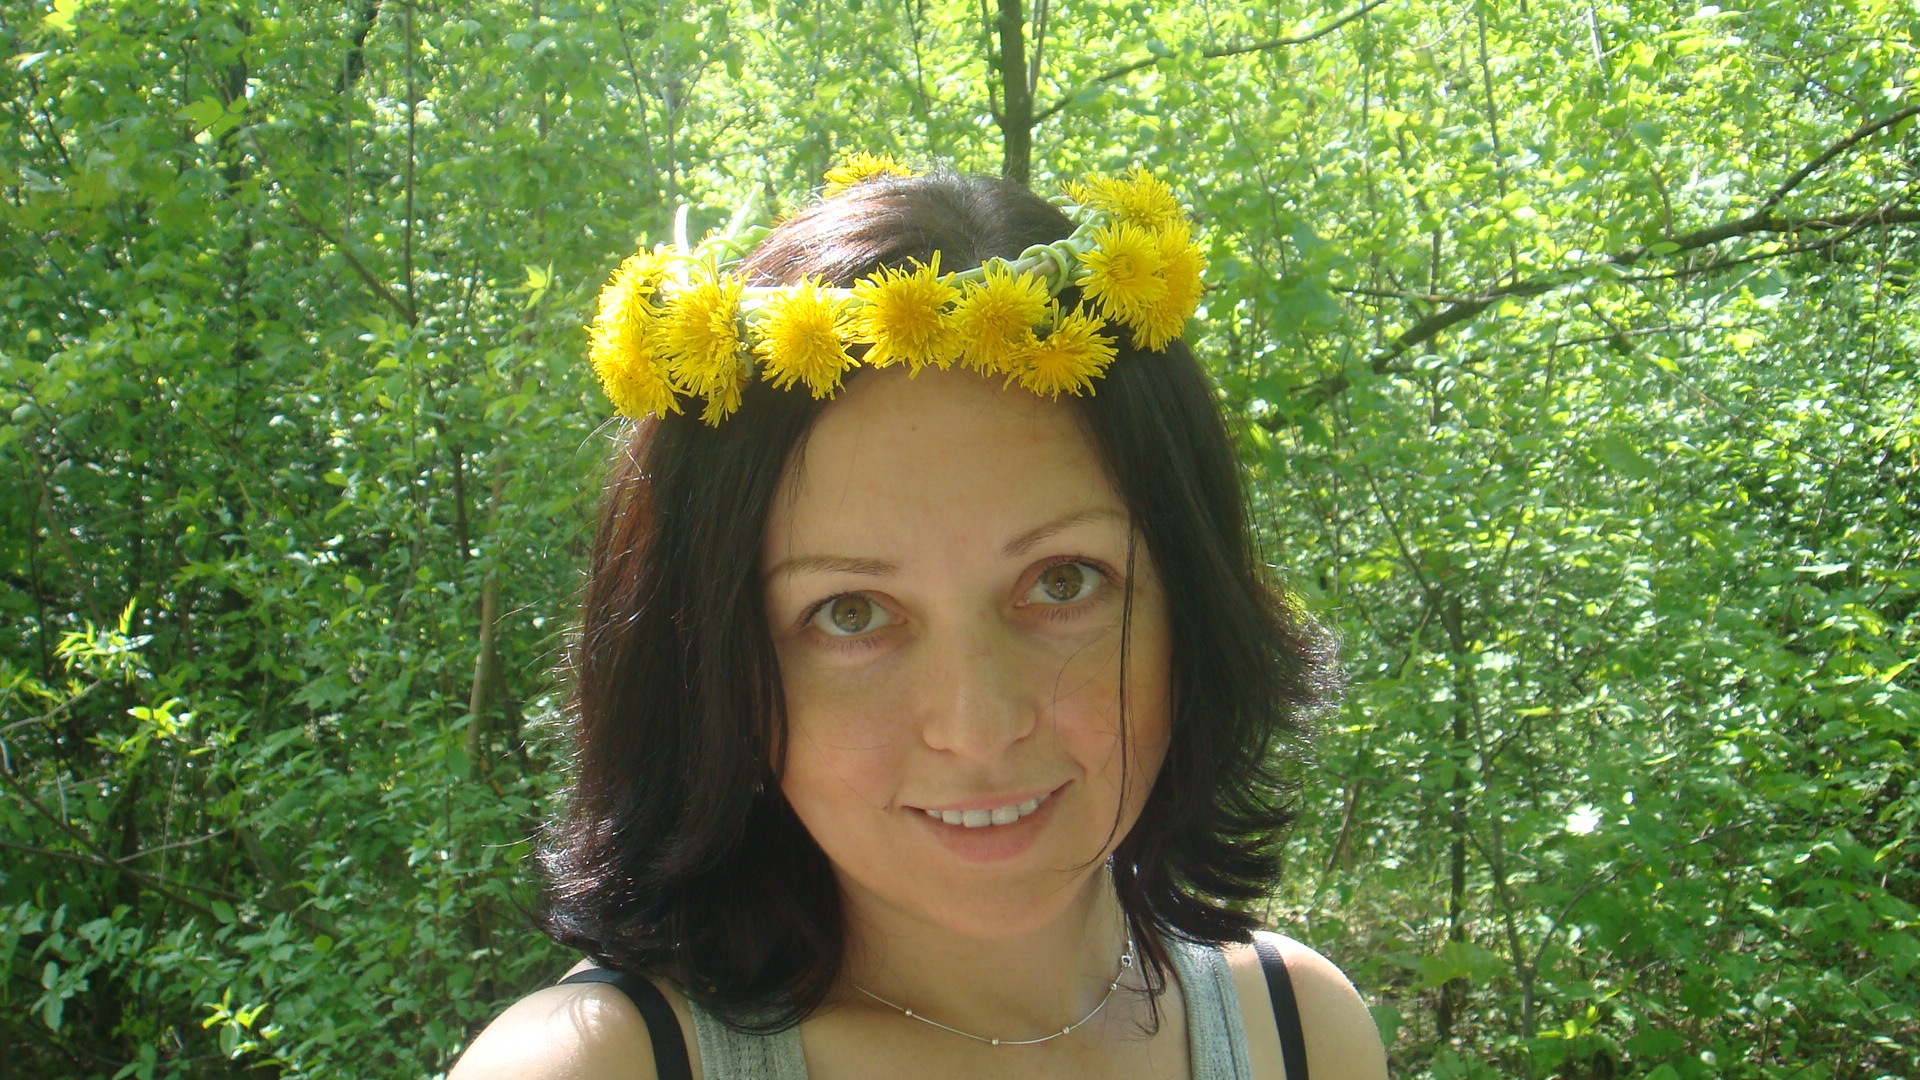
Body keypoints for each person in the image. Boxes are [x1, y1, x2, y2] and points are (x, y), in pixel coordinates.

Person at [451, 161, 1389, 1080]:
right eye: (850, 613)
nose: (978, 727)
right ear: (711, 674)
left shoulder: (1302, 1037)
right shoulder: (585, 1067)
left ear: (1192, 610)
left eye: (1063, 582)